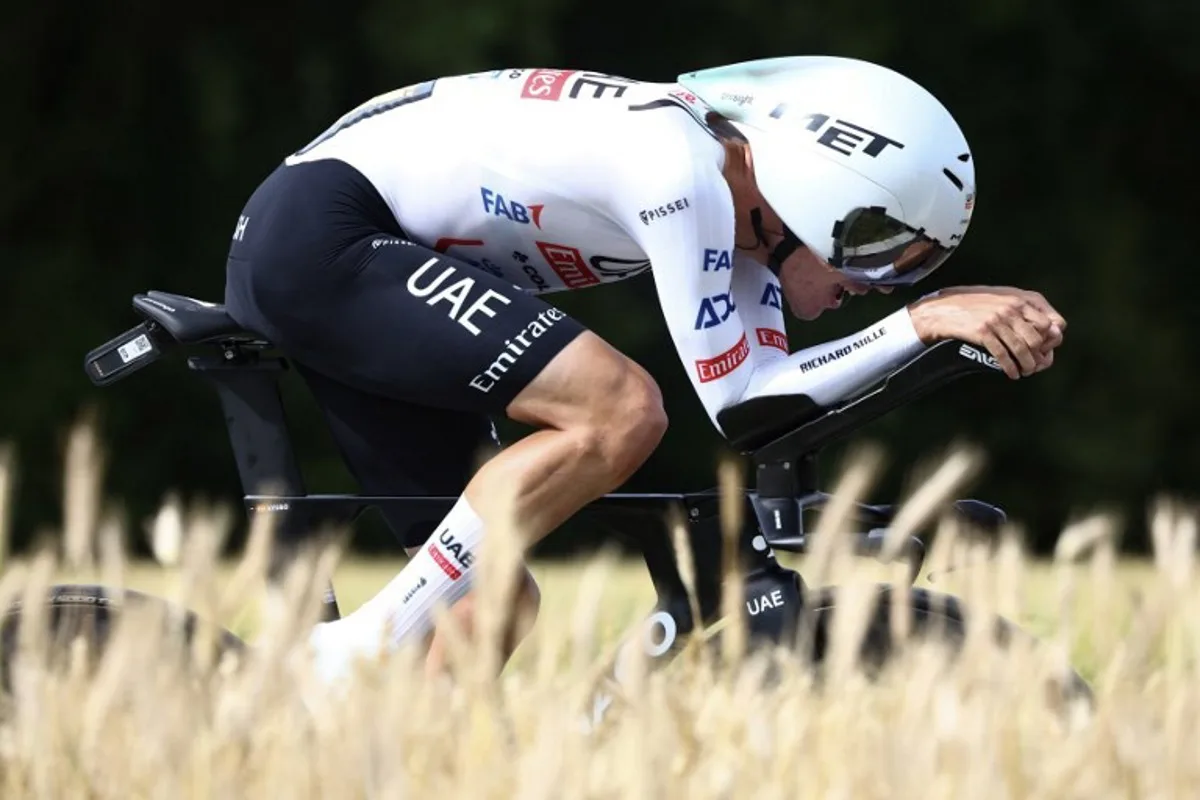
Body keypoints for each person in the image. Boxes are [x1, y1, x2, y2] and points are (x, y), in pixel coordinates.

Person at [222, 55, 1065, 683]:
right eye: (880, 250)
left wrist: (925, 344)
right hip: (324, 232)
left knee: (487, 608)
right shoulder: (685, 172)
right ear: (815, 192)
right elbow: (735, 404)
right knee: (618, 408)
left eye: (911, 270)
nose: (874, 284)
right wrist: (920, 323)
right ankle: (353, 651)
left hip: (351, 241)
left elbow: (772, 411)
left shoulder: (747, 224)